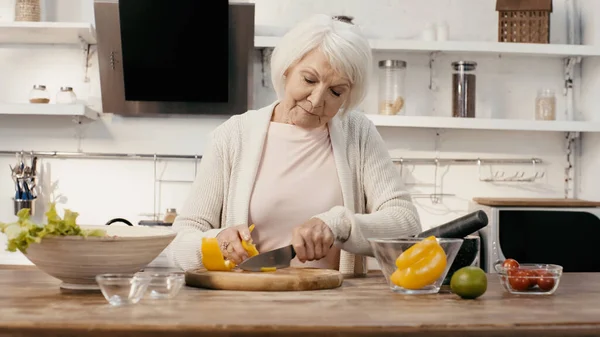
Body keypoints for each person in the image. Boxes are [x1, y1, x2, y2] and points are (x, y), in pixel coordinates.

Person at [166, 14, 421, 276]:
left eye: (336, 92)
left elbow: (407, 225)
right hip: (244, 303)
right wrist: (217, 242)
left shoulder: (359, 133)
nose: (316, 100)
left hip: (338, 307)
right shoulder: (233, 135)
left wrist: (338, 225)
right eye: (309, 80)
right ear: (287, 69)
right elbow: (178, 242)